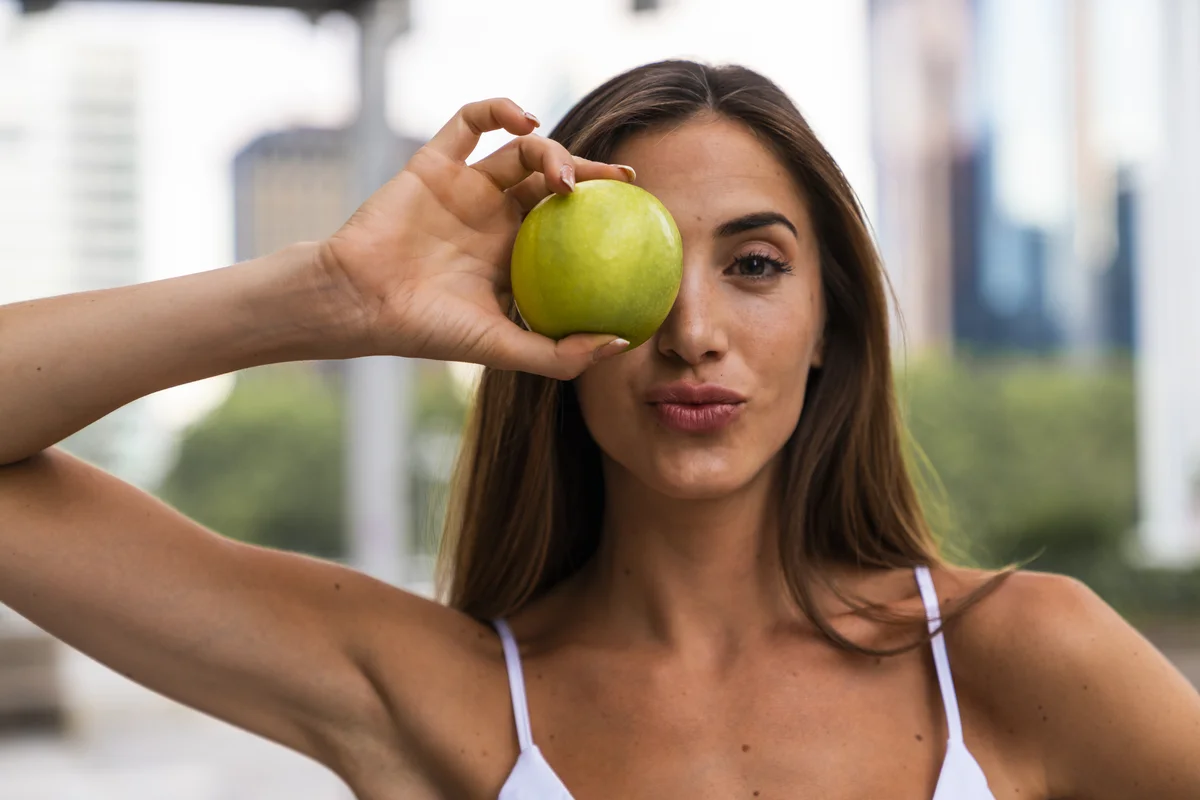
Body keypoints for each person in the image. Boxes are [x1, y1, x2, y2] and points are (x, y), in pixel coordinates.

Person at [1, 59, 1197, 800]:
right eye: (652, 265)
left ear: (831, 322)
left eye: (757, 264)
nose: (692, 331)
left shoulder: (1020, 654)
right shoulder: (439, 697)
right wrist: (331, 294)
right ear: (539, 313)